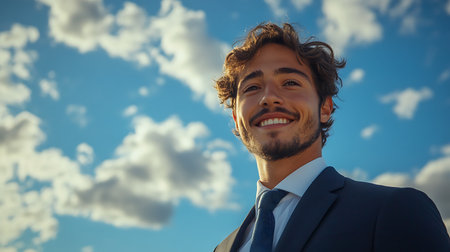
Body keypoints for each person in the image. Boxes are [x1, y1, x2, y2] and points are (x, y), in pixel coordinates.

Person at [214, 22, 450, 252]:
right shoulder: (222, 248)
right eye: (252, 87)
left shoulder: (395, 210)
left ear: (325, 108)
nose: (269, 97)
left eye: (290, 82)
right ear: (236, 117)